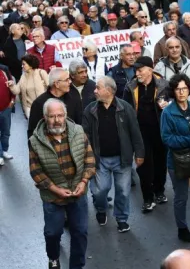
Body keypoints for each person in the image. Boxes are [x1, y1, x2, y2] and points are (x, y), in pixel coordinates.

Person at [29, 98, 95, 269]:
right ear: (45, 117)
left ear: (65, 115)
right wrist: (54, 189)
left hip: (77, 193)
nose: (57, 120)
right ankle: (53, 257)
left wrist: (84, 181)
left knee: (80, 233)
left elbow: (89, 159)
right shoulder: (35, 141)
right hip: (52, 197)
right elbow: (36, 171)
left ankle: (77, 266)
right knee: (52, 233)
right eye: (52, 116)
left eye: (60, 115)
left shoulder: (79, 132)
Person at [82, 76, 144, 233]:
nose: (95, 91)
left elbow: (135, 132)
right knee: (100, 190)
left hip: (122, 159)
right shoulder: (90, 110)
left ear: (108, 90)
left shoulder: (125, 108)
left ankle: (122, 219)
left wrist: (140, 153)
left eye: (98, 88)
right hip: (100, 159)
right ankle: (101, 209)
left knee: (123, 191)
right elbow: (85, 135)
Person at [160, 73, 190, 242]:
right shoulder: (168, 113)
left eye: (184, 88)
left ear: (189, 89)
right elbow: (166, 139)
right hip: (177, 161)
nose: (181, 92)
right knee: (181, 198)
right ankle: (182, 229)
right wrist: (189, 140)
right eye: (178, 89)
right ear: (173, 91)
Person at [123, 56, 170, 213]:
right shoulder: (130, 87)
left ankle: (159, 191)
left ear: (150, 69)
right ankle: (147, 198)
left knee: (160, 163)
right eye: (136, 70)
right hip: (140, 133)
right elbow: (126, 111)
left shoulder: (164, 85)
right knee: (143, 166)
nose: (137, 73)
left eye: (140, 70)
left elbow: (171, 106)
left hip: (159, 131)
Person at [28, 68, 83, 138]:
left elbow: (80, 123)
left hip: (73, 143)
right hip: (48, 145)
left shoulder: (74, 97)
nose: (70, 82)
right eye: (66, 80)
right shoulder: (39, 103)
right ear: (57, 84)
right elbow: (32, 131)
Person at [154, 37, 190, 106]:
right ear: (166, 49)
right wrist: (162, 102)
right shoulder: (159, 67)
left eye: (177, 47)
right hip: (169, 109)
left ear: (181, 48)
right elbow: (156, 90)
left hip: (189, 107)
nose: (174, 50)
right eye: (171, 47)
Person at [7, 54, 48, 118]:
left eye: (24, 64)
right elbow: (17, 91)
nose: (22, 66)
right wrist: (12, 85)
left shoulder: (41, 73)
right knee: (33, 127)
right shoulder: (23, 76)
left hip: (44, 107)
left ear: (31, 65)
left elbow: (51, 88)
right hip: (29, 109)